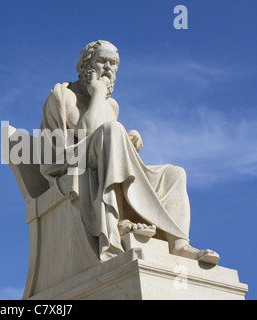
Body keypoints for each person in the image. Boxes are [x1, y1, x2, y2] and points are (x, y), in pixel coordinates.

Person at [39, 40, 219, 264]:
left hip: (98, 157)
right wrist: (98, 94)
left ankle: (179, 243)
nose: (108, 68)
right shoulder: (64, 95)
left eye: (113, 64)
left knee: (174, 174)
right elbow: (89, 131)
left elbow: (106, 140)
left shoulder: (111, 105)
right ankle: (118, 221)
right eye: (102, 61)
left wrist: (129, 137)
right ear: (86, 64)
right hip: (69, 162)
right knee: (113, 130)